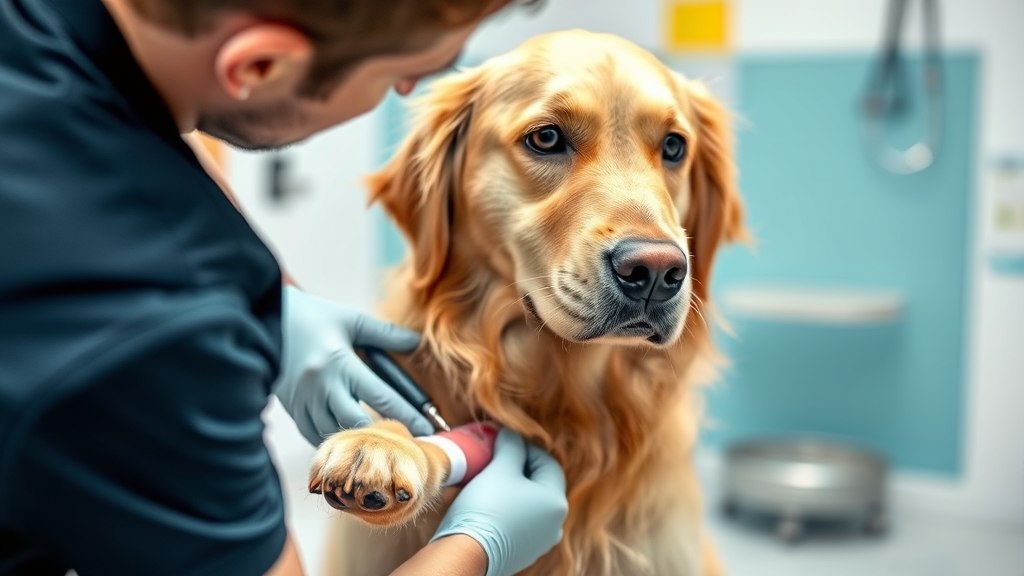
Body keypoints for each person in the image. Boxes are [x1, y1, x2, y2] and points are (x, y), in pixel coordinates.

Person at [0, 0, 569, 575]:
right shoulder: (152, 338)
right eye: (399, 73)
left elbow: (127, 114)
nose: (404, 91)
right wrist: (474, 547)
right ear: (259, 67)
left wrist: (277, 293)